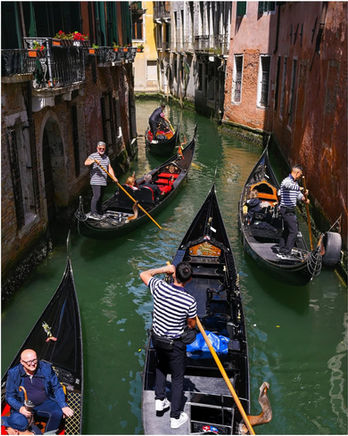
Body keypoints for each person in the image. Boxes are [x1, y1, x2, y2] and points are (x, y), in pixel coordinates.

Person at [139, 262, 197, 429]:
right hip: (174, 345)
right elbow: (192, 324)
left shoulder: (159, 287)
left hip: (157, 339)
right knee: (178, 379)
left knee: (161, 367)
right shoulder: (189, 301)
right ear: (190, 279)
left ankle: (160, 400)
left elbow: (144, 274)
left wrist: (164, 269)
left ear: (174, 275)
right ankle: (175, 417)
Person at [5, 349, 74, 434]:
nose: (33, 364)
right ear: (22, 362)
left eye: (34, 360)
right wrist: (20, 408)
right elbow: (9, 396)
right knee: (19, 422)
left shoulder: (46, 368)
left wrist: (63, 405)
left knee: (58, 413)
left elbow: (57, 387)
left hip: (44, 402)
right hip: (23, 405)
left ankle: (49, 433)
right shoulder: (13, 373)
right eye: (29, 362)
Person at [278, 165, 309, 254]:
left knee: (287, 230)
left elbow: (298, 195)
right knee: (294, 232)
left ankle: (282, 248)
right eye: (300, 174)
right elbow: (287, 186)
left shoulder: (295, 183)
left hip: (290, 210)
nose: (300, 176)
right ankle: (287, 251)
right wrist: (302, 188)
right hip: (286, 210)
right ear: (297, 173)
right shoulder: (287, 181)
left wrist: (304, 199)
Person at [84, 141, 118, 219]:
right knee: (97, 196)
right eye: (100, 148)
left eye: (103, 149)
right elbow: (86, 163)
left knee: (101, 197)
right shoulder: (93, 156)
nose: (101, 150)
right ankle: (93, 213)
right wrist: (94, 161)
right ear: (97, 148)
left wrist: (114, 177)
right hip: (95, 181)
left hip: (103, 181)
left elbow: (109, 168)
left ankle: (99, 211)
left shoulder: (106, 158)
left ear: (105, 149)